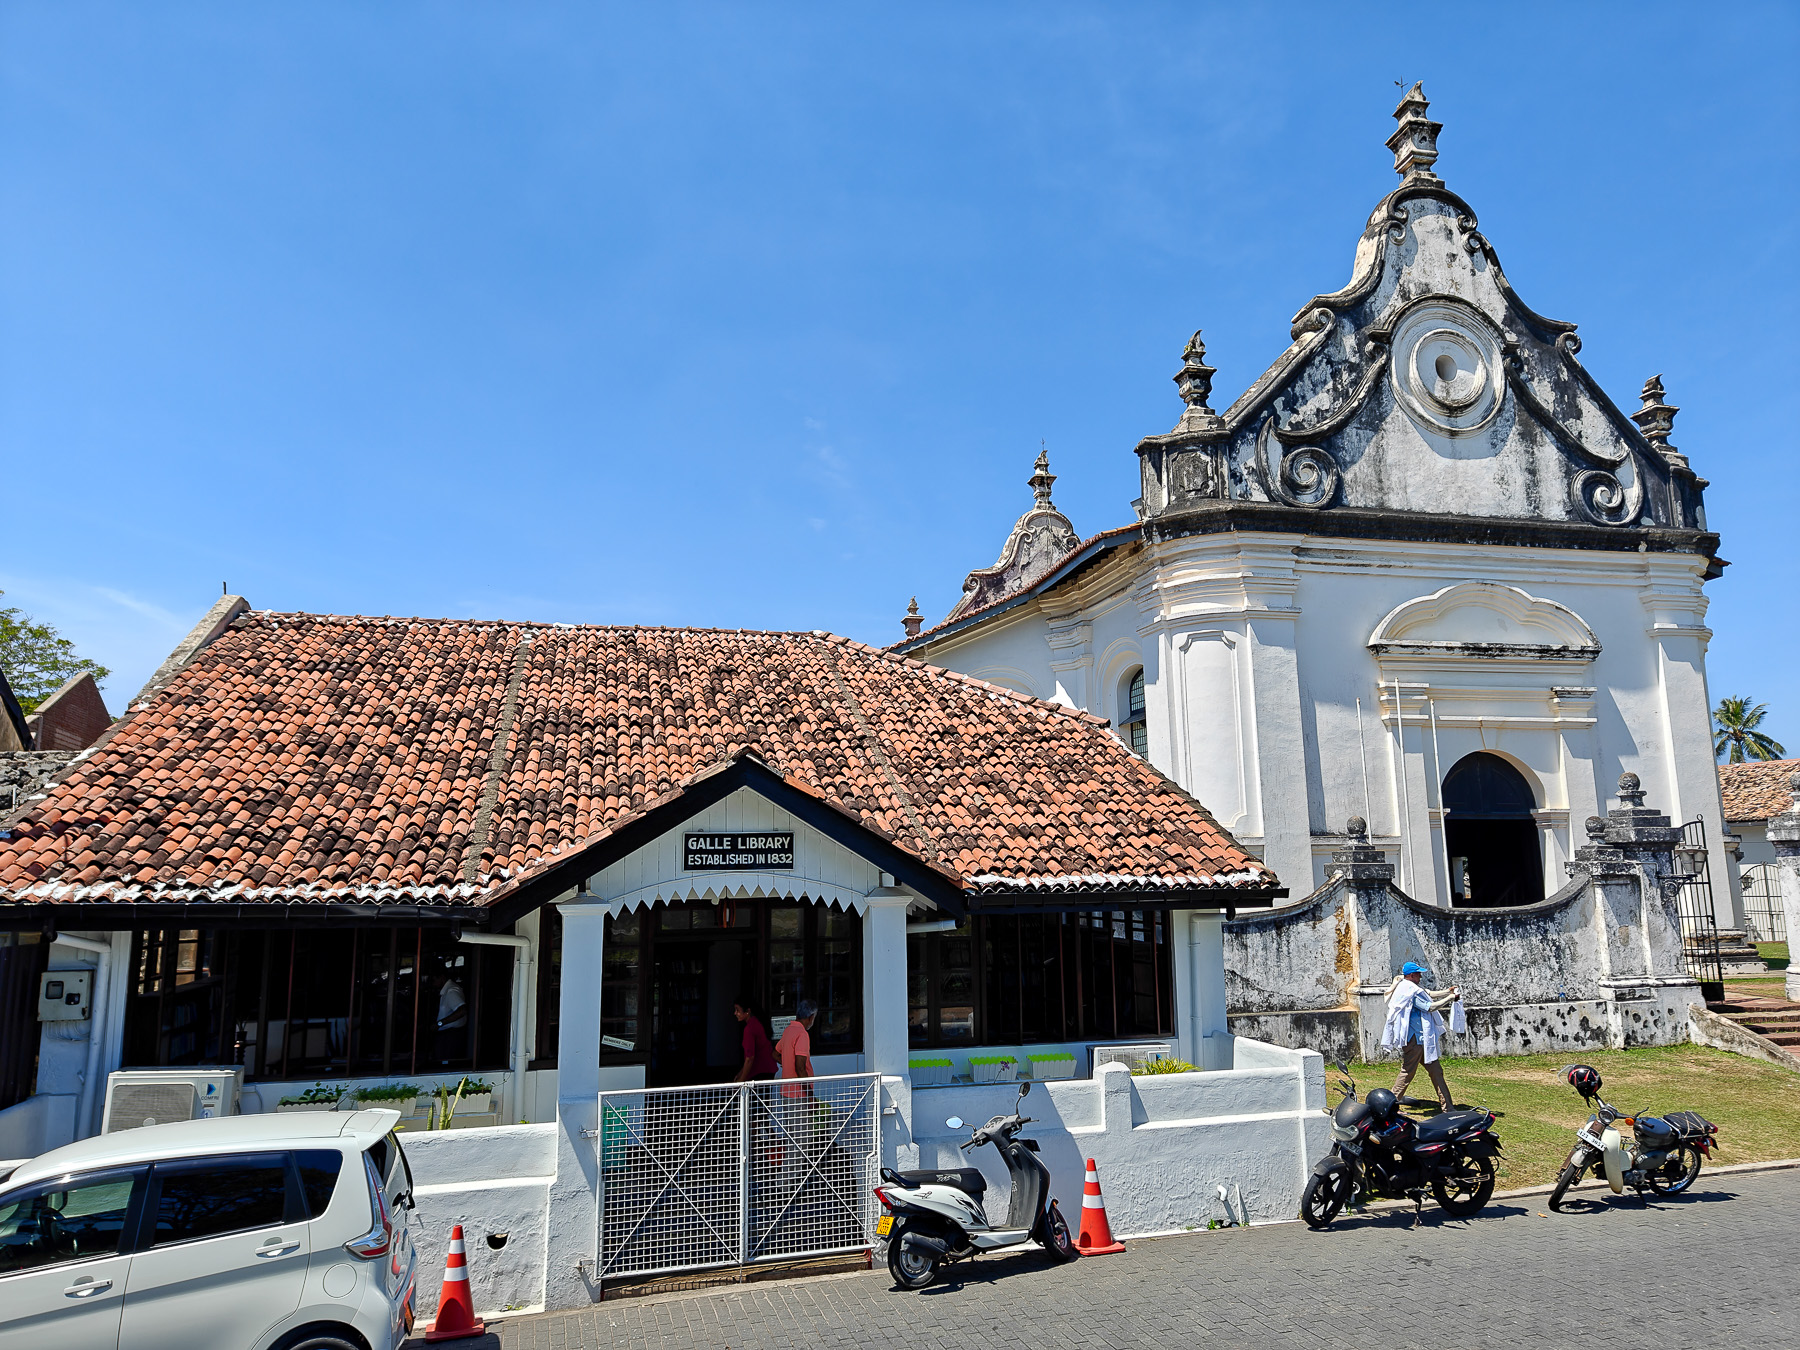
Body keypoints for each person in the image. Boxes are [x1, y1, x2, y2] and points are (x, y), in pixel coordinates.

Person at [1381, 961, 1460, 1111]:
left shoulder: (1409, 987)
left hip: (1422, 1040)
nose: (1421, 976)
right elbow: (1429, 1007)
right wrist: (1450, 999)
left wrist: (1447, 992)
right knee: (1407, 1072)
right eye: (1418, 974)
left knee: (1436, 1072)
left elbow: (1428, 993)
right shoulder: (1409, 991)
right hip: (1414, 1040)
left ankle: (1448, 1108)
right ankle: (1387, 1106)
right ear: (1411, 975)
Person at [775, 999, 817, 1099]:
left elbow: (775, 1054)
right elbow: (800, 1068)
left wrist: (787, 1064)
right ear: (811, 1017)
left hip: (786, 1091)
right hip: (798, 1093)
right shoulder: (802, 1034)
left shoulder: (788, 1030)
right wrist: (811, 1097)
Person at [732, 995, 777, 1082]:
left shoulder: (750, 1028)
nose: (735, 1013)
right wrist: (741, 1073)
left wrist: (741, 1079)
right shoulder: (758, 1023)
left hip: (759, 1072)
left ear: (747, 1011)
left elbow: (750, 1058)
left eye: (737, 1010)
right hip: (767, 1070)